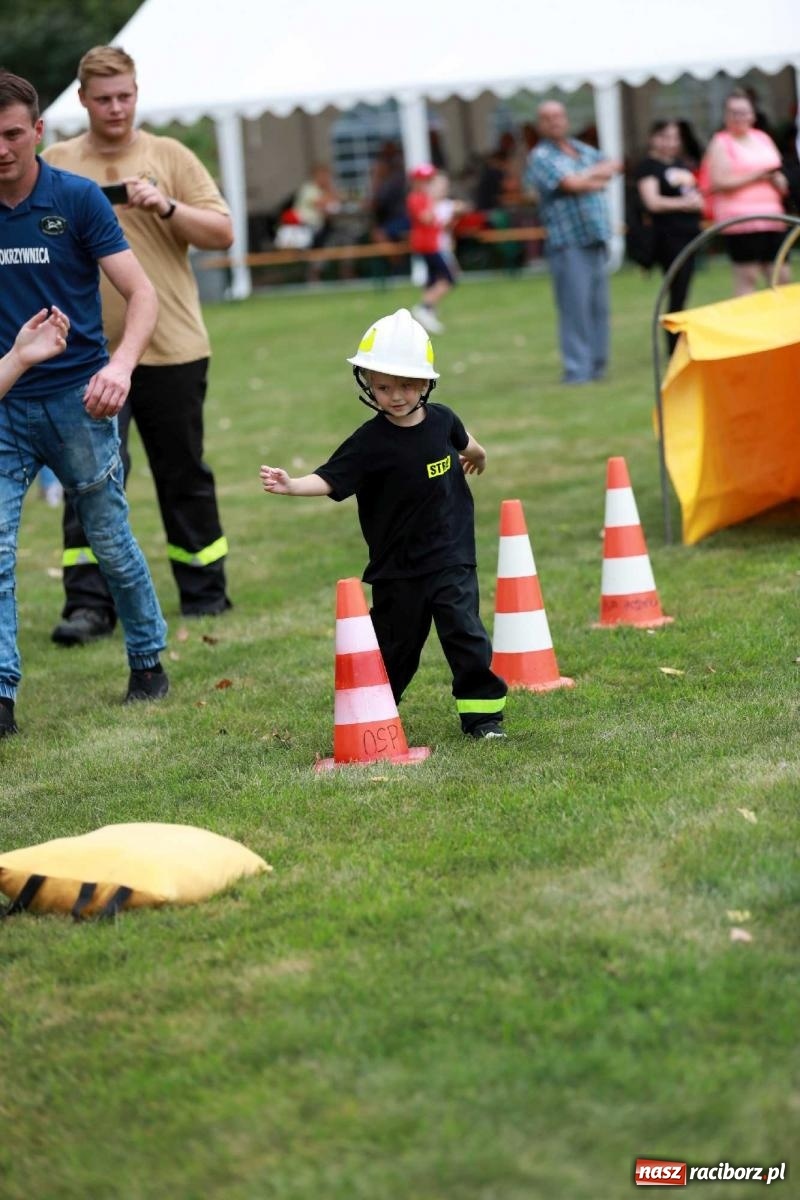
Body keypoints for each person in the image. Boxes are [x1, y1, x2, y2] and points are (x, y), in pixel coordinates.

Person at [42, 45, 234, 647]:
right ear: (83, 100)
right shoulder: (58, 162)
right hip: (84, 355)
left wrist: (167, 205)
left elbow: (223, 234)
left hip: (172, 347)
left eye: (125, 95)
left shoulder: (168, 156)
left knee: (183, 475)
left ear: (136, 93)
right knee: (89, 480)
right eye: (103, 98)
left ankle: (205, 592)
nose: (116, 107)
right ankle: (90, 605)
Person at [0, 70, 168, 738]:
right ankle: (2, 696)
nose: (1, 148)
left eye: (13, 134)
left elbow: (143, 294)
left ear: (38, 132)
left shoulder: (76, 200)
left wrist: (120, 367)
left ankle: (148, 660)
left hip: (82, 403)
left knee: (110, 541)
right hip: (5, 401)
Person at [259, 308, 508, 740]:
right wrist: (292, 484)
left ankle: (483, 719)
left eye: (407, 385)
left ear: (426, 383)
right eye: (383, 386)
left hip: (452, 557)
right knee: (394, 648)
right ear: (367, 384)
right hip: (398, 569)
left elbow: (469, 445)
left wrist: (479, 458)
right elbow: (331, 478)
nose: (396, 395)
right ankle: (373, 712)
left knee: (466, 635)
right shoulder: (369, 443)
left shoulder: (444, 420)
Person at [526, 100, 622, 385]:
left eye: (559, 116)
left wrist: (584, 177)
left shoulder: (580, 148)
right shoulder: (540, 156)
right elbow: (570, 184)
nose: (555, 121)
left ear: (566, 119)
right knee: (575, 309)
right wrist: (589, 178)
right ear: (540, 124)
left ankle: (597, 366)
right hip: (567, 242)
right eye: (548, 117)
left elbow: (613, 165)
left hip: (595, 237)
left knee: (598, 308)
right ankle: (577, 371)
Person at [703, 90, 790, 296]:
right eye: (734, 112)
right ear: (726, 115)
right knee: (748, 275)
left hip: (772, 216)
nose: (739, 117)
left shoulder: (763, 138)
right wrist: (756, 176)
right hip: (740, 220)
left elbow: (778, 170)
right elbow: (718, 181)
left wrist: (779, 181)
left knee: (782, 275)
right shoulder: (721, 142)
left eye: (743, 112)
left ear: (753, 114)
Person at [635, 120, 704, 351]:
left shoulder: (680, 164)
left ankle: (679, 339)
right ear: (654, 138)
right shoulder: (648, 166)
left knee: (683, 290)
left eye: (675, 137)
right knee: (677, 289)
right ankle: (673, 344)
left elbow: (695, 192)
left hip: (689, 233)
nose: (671, 143)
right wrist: (682, 203)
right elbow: (652, 201)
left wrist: (696, 202)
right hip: (668, 236)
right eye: (665, 137)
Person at [407, 164, 457, 334]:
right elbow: (426, 218)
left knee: (433, 279)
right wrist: (434, 202)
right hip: (426, 245)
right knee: (449, 278)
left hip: (432, 243)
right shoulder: (417, 198)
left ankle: (429, 310)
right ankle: (424, 307)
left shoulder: (424, 198)